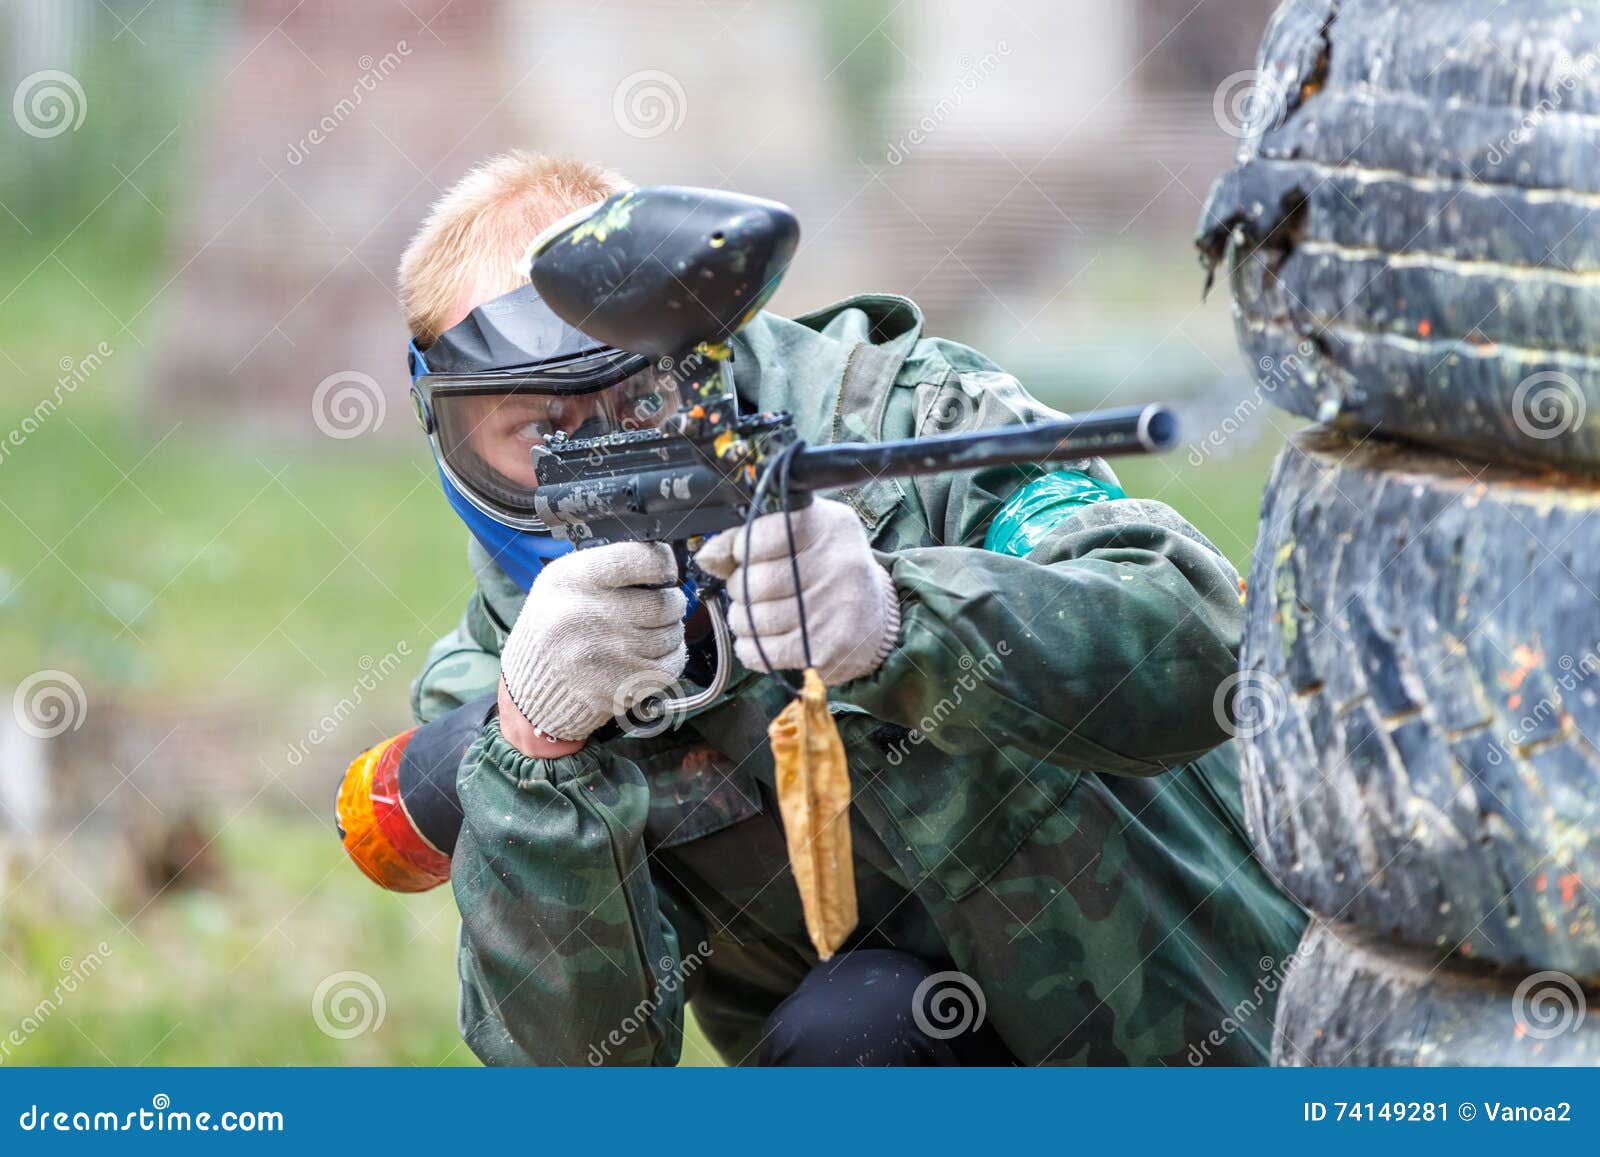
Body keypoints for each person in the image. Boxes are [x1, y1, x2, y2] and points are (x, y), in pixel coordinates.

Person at [384, 150, 1306, 1066]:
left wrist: (906, 620)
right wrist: (539, 754)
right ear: (451, 436)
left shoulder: (911, 426)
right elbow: (577, 1073)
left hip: (1221, 1037)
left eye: (634, 399)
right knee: (856, 1025)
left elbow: (1201, 635)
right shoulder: (500, 681)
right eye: (539, 431)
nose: (599, 460)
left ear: (700, 354)